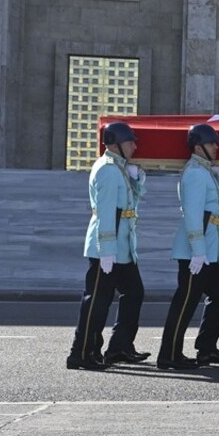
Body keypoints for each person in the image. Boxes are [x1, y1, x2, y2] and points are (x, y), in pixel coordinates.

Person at [65, 122, 149, 370]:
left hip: (122, 247)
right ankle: (81, 352)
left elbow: (129, 204)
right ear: (116, 143)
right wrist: (107, 250)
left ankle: (120, 347)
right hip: (109, 248)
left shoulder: (119, 169)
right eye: (130, 142)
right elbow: (107, 213)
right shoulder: (109, 170)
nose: (134, 146)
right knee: (97, 301)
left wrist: (137, 180)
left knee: (134, 293)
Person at [157, 123, 219, 370]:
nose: (217, 147)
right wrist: (198, 250)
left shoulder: (205, 171)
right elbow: (193, 214)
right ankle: (169, 354)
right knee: (186, 301)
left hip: (211, 248)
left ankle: (207, 349)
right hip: (196, 250)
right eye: (212, 143)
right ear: (199, 145)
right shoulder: (195, 173)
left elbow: (216, 206)